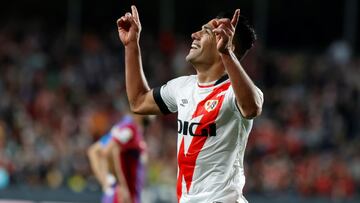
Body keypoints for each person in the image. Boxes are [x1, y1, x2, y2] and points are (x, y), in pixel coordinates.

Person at [116, 5, 263, 203]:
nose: (194, 34)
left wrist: (227, 53)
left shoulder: (232, 91)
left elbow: (252, 107)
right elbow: (139, 102)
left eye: (206, 32)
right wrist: (132, 45)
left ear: (227, 43)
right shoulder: (183, 87)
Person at [88, 114, 147, 203]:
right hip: (121, 194)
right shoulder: (128, 127)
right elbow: (102, 151)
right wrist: (115, 182)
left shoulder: (132, 128)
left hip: (125, 192)